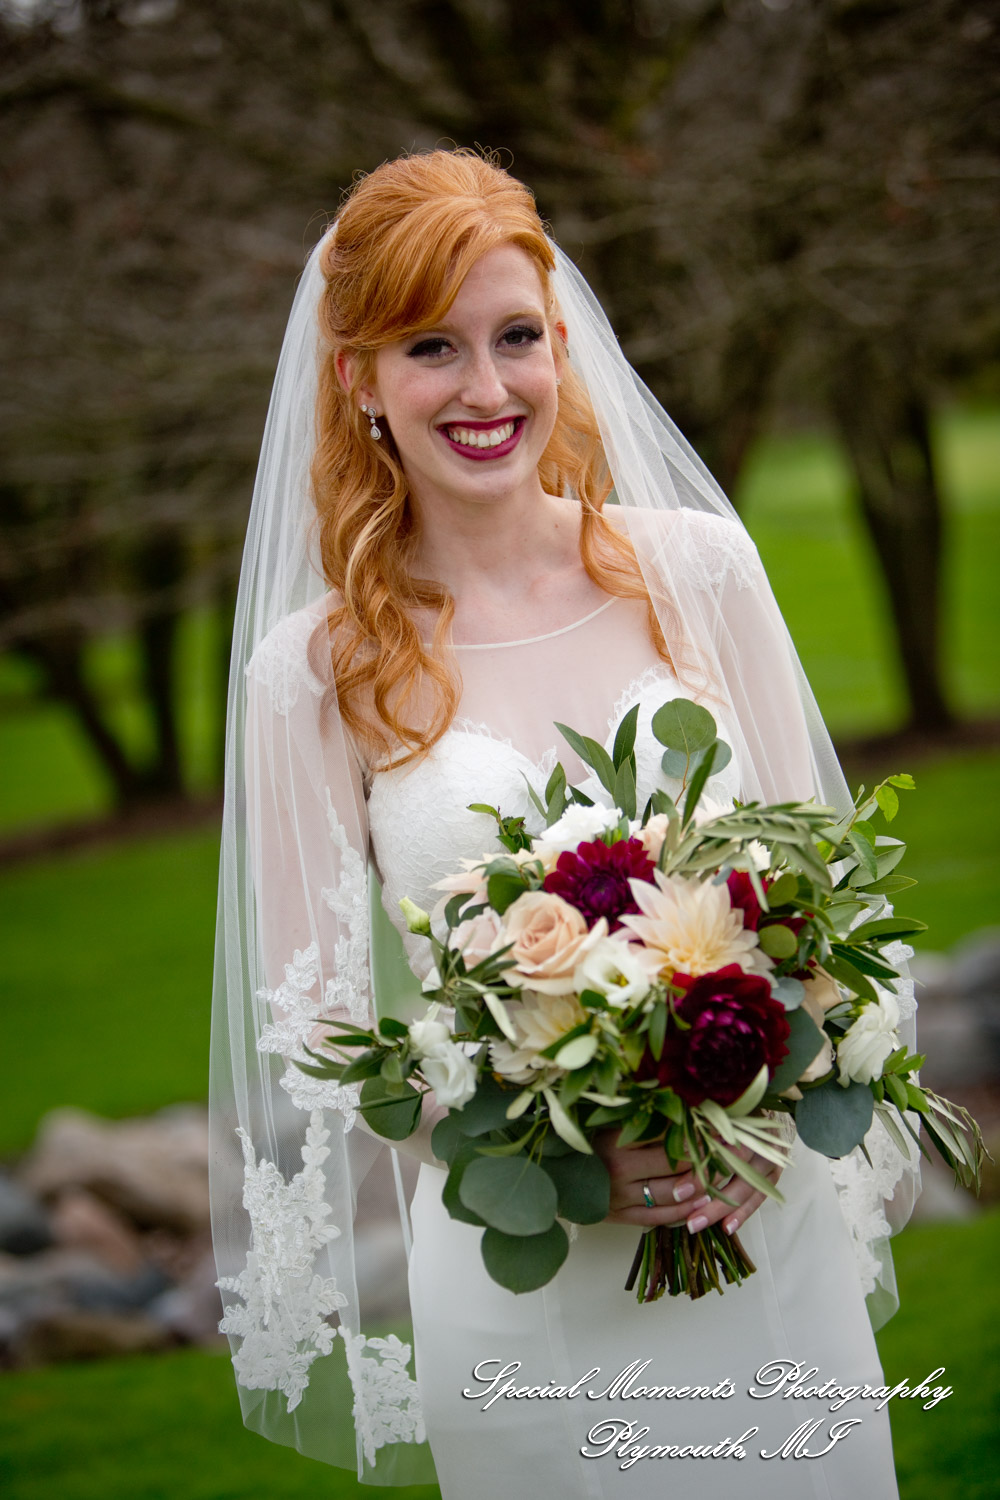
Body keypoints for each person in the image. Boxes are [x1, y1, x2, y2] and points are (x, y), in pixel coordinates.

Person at [209, 149, 920, 1498]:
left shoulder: (698, 574)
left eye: (516, 337)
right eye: (433, 347)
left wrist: (754, 1104)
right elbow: (319, 1031)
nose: (488, 390)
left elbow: (827, 901)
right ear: (358, 377)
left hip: (766, 1251)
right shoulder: (313, 672)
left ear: (560, 341)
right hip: (525, 1298)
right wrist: (554, 1127)